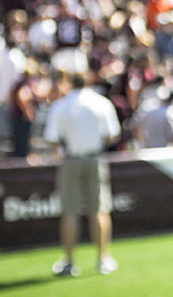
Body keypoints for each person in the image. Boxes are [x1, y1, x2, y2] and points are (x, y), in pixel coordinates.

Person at [43, 70, 122, 276]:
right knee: (99, 208)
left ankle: (69, 261)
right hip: (94, 158)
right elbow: (112, 135)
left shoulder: (61, 106)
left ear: (69, 82)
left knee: (70, 211)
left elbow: (52, 137)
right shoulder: (101, 103)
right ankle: (103, 258)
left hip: (71, 159)